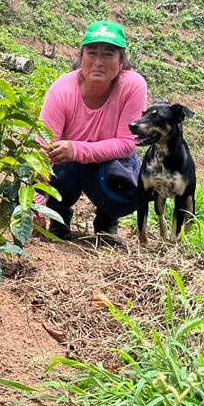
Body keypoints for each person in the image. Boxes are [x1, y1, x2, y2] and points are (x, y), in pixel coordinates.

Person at [38, 20, 148, 245]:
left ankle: (107, 221)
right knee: (59, 163)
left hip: (108, 164)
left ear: (121, 61)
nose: (99, 62)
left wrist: (77, 148)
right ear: (81, 56)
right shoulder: (62, 90)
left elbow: (127, 143)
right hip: (67, 165)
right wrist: (36, 207)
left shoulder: (132, 86)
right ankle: (58, 216)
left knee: (138, 185)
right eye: (92, 53)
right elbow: (41, 148)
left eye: (108, 54)